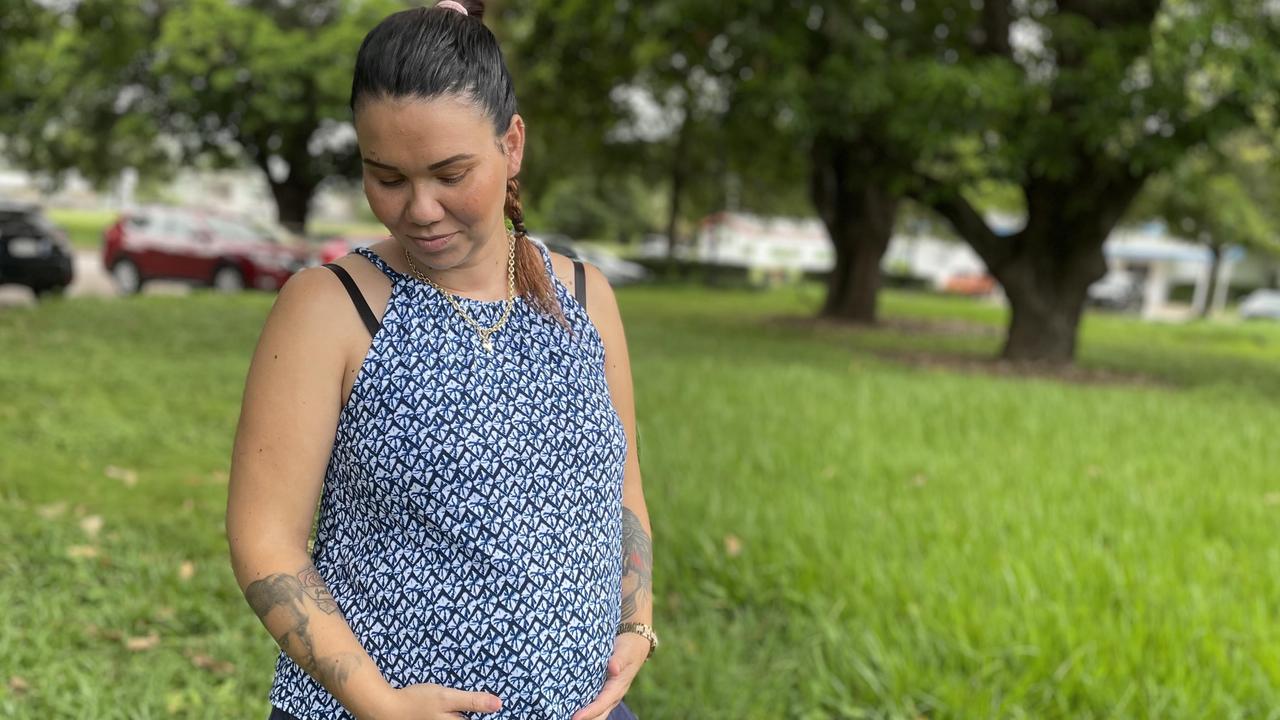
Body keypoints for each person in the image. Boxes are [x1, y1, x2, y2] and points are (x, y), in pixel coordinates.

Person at [224, 2, 657, 718]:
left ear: (511, 144)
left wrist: (636, 618)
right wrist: (382, 706)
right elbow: (265, 539)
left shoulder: (587, 296)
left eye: (451, 173)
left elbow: (622, 487)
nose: (420, 208)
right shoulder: (328, 309)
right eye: (386, 177)